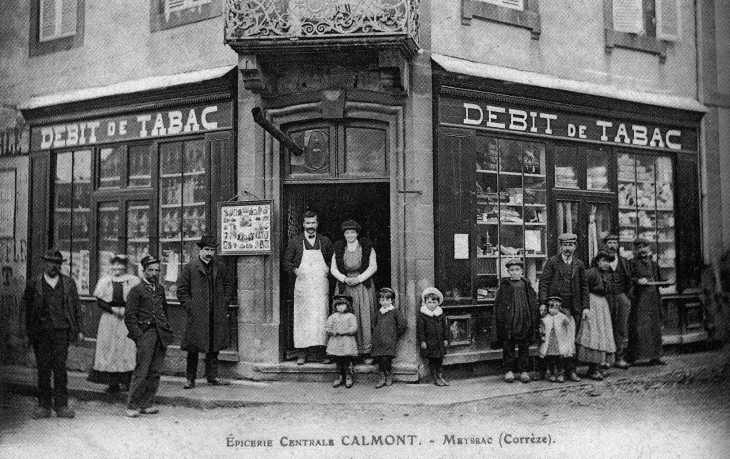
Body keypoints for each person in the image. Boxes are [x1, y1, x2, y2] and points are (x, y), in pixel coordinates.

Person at [23, 248, 84, 419]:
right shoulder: (34, 283)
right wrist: (26, 333)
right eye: (50, 262)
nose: (53, 266)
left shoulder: (68, 283)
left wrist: (79, 330)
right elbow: (26, 310)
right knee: (43, 369)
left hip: (61, 331)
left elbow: (76, 308)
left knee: (60, 369)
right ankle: (43, 405)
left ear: (60, 265)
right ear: (45, 263)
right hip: (41, 333)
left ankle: (61, 405)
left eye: (57, 263)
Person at [177, 235, 235, 389]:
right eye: (207, 250)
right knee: (193, 348)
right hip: (198, 314)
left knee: (214, 346)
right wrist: (192, 307)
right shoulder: (190, 268)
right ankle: (190, 379)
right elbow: (181, 291)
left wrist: (223, 303)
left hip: (216, 313)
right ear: (200, 250)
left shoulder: (220, 267)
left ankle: (212, 377)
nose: (210, 253)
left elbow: (228, 286)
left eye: (212, 250)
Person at [124, 255, 174, 418]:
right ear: (143, 271)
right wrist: (139, 336)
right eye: (150, 270)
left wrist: (166, 328)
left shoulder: (159, 289)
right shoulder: (136, 290)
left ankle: (147, 404)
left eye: (157, 270)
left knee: (155, 371)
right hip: (146, 334)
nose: (154, 273)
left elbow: (164, 310)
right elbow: (130, 317)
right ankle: (132, 405)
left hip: (160, 333)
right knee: (142, 370)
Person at [283, 210, 332, 365]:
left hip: (319, 287)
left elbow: (333, 261)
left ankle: (320, 353)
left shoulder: (325, 241)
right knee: (302, 320)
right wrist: (296, 270)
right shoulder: (295, 242)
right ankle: (302, 354)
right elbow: (286, 262)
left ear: (317, 224)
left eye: (313, 223)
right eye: (308, 223)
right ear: (303, 224)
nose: (310, 226)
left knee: (320, 319)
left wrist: (327, 270)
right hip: (303, 288)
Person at [538, 232, 589, 382]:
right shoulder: (552, 262)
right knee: (555, 339)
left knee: (570, 339)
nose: (567, 248)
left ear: (575, 247)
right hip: (555, 308)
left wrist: (585, 307)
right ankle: (554, 371)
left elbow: (584, 287)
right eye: (565, 245)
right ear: (560, 247)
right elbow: (544, 283)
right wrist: (542, 302)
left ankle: (571, 371)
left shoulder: (579, 264)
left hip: (573, 307)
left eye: (570, 245)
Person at [87, 254, 140, 393]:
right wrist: (112, 309)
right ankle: (113, 383)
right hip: (109, 318)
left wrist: (127, 310)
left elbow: (138, 299)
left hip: (126, 318)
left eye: (120, 264)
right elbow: (99, 301)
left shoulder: (133, 281)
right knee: (109, 348)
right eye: (115, 264)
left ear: (125, 266)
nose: (117, 267)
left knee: (127, 348)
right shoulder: (105, 281)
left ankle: (127, 382)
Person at [331, 219, 377, 364]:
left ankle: (365, 352)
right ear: (344, 234)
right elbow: (333, 268)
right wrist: (344, 279)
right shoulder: (338, 248)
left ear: (357, 233)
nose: (350, 235)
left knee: (363, 316)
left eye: (352, 232)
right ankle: (345, 352)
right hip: (345, 287)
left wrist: (359, 278)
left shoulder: (366, 246)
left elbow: (373, 266)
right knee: (344, 316)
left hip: (362, 285)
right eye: (347, 232)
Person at [493, 259, 538, 384]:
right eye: (512, 270)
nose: (514, 273)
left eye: (517, 270)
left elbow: (532, 301)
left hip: (524, 320)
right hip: (510, 322)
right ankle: (509, 371)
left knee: (524, 346)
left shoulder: (526, 284)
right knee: (508, 347)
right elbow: (500, 305)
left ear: (522, 271)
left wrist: (531, 318)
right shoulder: (505, 286)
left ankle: (524, 371)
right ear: (508, 272)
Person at [576, 251, 617, 380]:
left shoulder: (607, 273)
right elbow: (583, 289)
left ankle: (598, 366)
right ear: (597, 261)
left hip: (602, 303)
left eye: (608, 261)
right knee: (593, 333)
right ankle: (593, 368)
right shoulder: (591, 272)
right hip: (592, 302)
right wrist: (585, 307)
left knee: (602, 333)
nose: (605, 264)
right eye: (603, 261)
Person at [628, 239, 667, 365]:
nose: (642, 249)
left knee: (654, 327)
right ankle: (634, 357)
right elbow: (628, 278)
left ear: (649, 248)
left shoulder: (654, 263)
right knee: (639, 327)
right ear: (635, 250)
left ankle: (655, 356)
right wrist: (637, 280)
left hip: (654, 298)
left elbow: (659, 279)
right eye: (639, 247)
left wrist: (666, 282)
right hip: (639, 299)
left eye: (645, 247)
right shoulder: (631, 263)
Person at [602, 234, 633, 369]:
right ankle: (607, 358)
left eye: (615, 243)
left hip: (621, 296)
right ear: (605, 245)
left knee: (621, 328)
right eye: (609, 242)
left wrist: (626, 297)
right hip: (606, 297)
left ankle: (619, 357)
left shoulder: (624, 261)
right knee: (606, 327)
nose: (612, 245)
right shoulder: (599, 261)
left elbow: (630, 280)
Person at [371, 287, 407, 388]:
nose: (385, 302)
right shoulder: (378, 313)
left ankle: (388, 374)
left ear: (392, 301)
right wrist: (376, 333)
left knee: (386, 358)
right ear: (379, 301)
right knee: (379, 358)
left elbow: (403, 324)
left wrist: (395, 334)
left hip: (389, 340)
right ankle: (382, 376)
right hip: (378, 341)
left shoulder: (394, 312)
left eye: (387, 299)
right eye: (382, 300)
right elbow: (373, 324)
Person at [417, 287, 449, 386]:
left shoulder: (440, 314)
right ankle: (435, 378)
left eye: (434, 302)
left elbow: (445, 327)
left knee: (439, 360)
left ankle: (440, 376)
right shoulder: (423, 315)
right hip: (429, 343)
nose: (431, 305)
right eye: (429, 302)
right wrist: (422, 341)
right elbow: (420, 330)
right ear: (425, 302)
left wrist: (445, 338)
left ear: (438, 303)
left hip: (439, 342)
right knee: (432, 360)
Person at [539, 296, 575, 383]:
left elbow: (569, 325)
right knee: (550, 358)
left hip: (560, 341)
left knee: (560, 358)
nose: (553, 310)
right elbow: (542, 328)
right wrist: (542, 335)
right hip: (550, 342)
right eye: (551, 308)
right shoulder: (545, 318)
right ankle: (551, 374)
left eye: (555, 308)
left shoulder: (562, 317)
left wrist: (567, 335)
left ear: (559, 308)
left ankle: (560, 373)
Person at [325, 295, 358, 389]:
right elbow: (327, 327)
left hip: (347, 341)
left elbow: (354, 328)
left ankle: (348, 376)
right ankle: (339, 376)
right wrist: (332, 331)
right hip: (336, 341)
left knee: (347, 359)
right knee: (338, 359)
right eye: (338, 305)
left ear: (347, 306)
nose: (340, 307)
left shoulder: (351, 316)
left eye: (342, 305)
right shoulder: (332, 317)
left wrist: (343, 331)